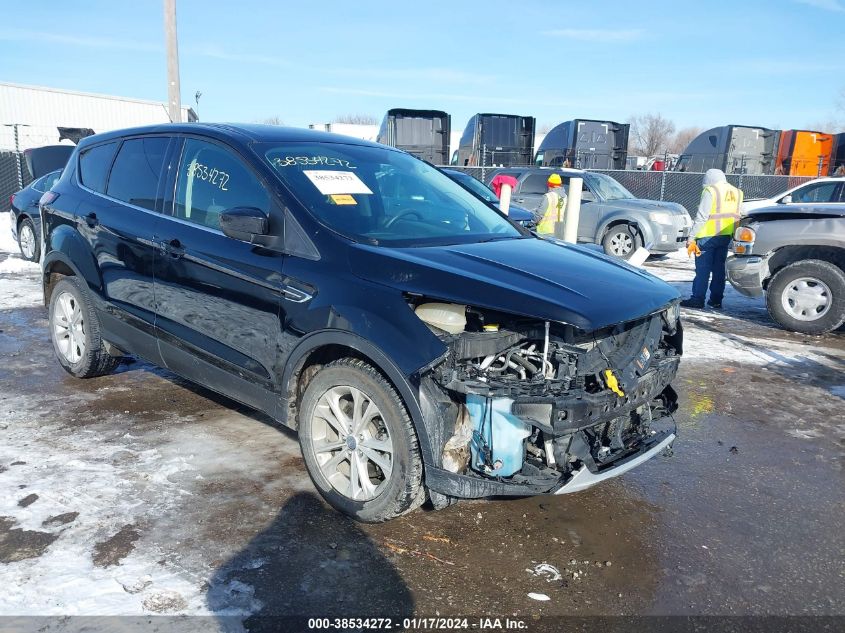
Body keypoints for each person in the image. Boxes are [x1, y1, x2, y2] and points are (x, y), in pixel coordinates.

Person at [681, 169, 743, 309]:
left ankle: (697, 299)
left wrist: (691, 237)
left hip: (706, 237)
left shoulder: (711, 191)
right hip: (725, 236)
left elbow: (702, 216)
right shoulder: (737, 192)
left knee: (702, 269)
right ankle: (716, 299)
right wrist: (735, 236)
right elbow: (737, 216)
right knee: (718, 269)